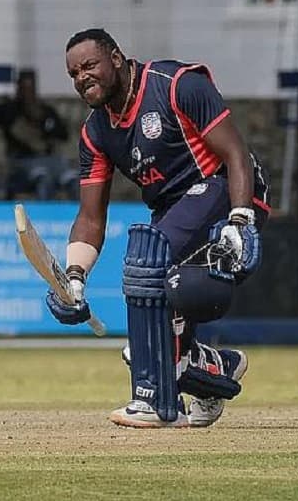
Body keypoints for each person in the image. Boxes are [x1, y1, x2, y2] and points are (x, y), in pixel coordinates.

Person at [46, 28, 270, 428]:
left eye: (90, 66)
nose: (82, 78)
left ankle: (154, 403)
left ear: (116, 58)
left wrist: (240, 220)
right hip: (173, 209)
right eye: (74, 73)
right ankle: (212, 370)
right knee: (157, 333)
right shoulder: (95, 132)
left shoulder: (176, 85)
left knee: (147, 259)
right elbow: (91, 216)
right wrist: (75, 278)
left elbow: (236, 153)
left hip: (225, 188)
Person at [0, 69, 74, 199]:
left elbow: (63, 134)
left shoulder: (45, 111)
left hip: (48, 159)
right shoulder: (10, 112)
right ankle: (44, 216)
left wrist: (46, 126)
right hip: (22, 162)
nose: (27, 93)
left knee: (72, 178)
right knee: (44, 179)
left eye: (30, 88)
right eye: (24, 88)